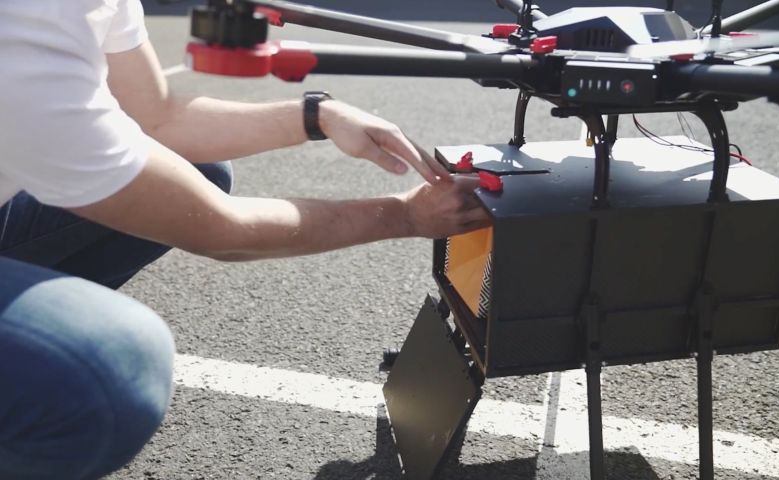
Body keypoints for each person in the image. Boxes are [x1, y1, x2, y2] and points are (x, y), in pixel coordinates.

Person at [0, 1, 490, 478]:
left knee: (200, 172)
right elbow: (220, 228)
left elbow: (157, 119)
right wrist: (404, 215)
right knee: (108, 369)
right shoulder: (25, 36)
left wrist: (318, 115)